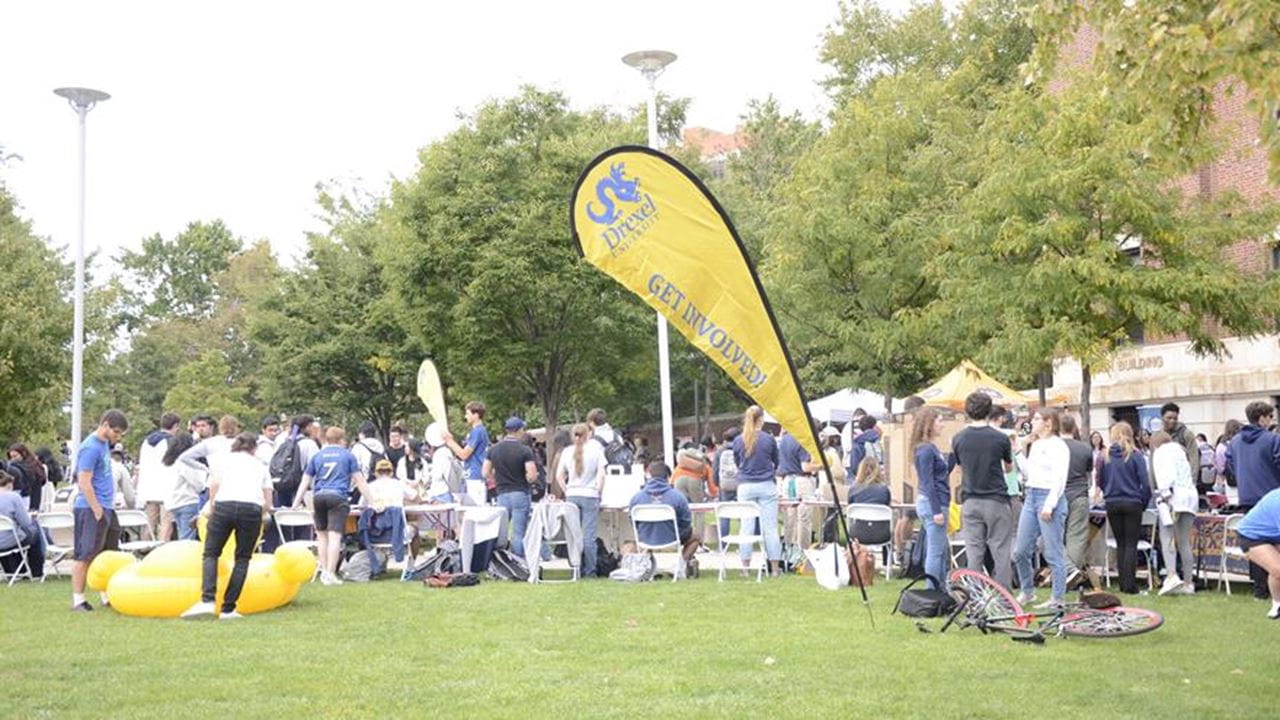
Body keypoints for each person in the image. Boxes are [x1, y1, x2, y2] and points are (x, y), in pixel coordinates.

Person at [181, 433, 273, 620]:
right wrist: (259, 511)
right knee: (242, 558)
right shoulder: (261, 466)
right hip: (251, 508)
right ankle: (228, 608)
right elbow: (268, 501)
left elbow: (214, 484)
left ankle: (207, 599)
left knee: (211, 553)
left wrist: (213, 506)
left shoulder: (223, 461)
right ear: (254, 449)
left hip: (224, 505)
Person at [951, 392, 1015, 588]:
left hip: (970, 500)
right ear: (989, 411)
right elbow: (1008, 467)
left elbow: (961, 467)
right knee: (1001, 550)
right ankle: (1005, 598)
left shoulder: (958, 438)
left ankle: (976, 597)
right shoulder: (1000, 438)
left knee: (974, 552)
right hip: (996, 499)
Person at [293, 426, 371, 585]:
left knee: (321, 536)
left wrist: (295, 503)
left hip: (319, 496)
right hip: (338, 496)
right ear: (342, 440)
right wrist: (372, 500)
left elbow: (305, 481)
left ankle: (323, 570)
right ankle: (330, 572)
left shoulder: (318, 456)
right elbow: (359, 480)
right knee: (335, 536)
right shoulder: (348, 456)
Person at [71, 409, 128, 611]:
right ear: (105, 425)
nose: (117, 437)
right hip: (90, 507)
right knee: (86, 553)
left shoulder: (104, 444)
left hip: (107, 506)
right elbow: (84, 481)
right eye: (116, 432)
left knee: (107, 552)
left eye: (120, 434)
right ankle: (78, 599)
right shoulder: (90, 448)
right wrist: (96, 509)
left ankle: (105, 594)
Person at [1011, 408, 1070, 607]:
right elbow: (1030, 473)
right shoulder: (1036, 445)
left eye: (1037, 419)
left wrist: (1050, 504)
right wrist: (1019, 452)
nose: (1032, 422)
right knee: (1020, 550)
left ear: (1048, 423)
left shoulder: (1058, 446)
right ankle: (1027, 591)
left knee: (1053, 552)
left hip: (1048, 496)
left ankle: (1057, 597)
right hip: (1032, 494)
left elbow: (1060, 478)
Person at [1225, 401, 1280, 599]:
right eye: (1270, 416)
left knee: (1255, 543)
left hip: (1247, 496)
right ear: (1262, 418)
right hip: (1271, 497)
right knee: (1273, 544)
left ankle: (1259, 589)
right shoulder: (1273, 439)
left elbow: (1229, 468)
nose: (1271, 420)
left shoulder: (1235, 441)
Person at [1100, 421, 1152, 595]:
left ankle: (1123, 582)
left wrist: (1108, 494)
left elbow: (1100, 480)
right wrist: (1143, 502)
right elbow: (1145, 483)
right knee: (1131, 544)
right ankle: (1130, 585)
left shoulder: (1105, 455)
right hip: (1132, 502)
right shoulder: (1136, 455)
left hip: (1112, 502)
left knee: (1120, 543)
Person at [733, 405, 782, 576]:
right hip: (766, 484)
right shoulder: (768, 439)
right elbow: (777, 461)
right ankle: (775, 568)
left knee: (746, 527)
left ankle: (745, 568)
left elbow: (737, 461)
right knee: (770, 528)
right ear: (761, 419)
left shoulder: (739, 440)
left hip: (745, 485)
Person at [629, 461, 699, 576]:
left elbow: (632, 522)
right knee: (696, 536)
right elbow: (686, 521)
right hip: (673, 539)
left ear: (648, 475)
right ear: (668, 477)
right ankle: (680, 564)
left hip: (646, 539)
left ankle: (643, 563)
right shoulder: (678, 497)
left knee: (630, 543)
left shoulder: (637, 498)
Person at [1150, 430, 1198, 596]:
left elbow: (1164, 477)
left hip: (1173, 497)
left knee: (1167, 538)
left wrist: (1164, 495)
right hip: (1190, 497)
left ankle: (1171, 575)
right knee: (1184, 541)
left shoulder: (1160, 453)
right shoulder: (1180, 451)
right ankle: (1188, 582)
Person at [556, 423, 606, 576]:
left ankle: (575, 568)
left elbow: (559, 476)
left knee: (573, 534)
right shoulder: (596, 451)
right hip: (590, 494)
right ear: (588, 435)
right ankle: (590, 570)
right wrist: (598, 490)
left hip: (572, 494)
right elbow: (601, 475)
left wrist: (567, 490)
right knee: (589, 536)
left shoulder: (566, 452)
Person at [484, 417, 538, 557]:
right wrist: (529, 478)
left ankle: (496, 559)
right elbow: (531, 475)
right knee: (519, 532)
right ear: (519, 430)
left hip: (501, 494)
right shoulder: (525, 450)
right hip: (520, 492)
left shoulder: (493, 449)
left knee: (499, 531)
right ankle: (519, 562)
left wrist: (496, 478)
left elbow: (485, 472)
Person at [911, 407, 950, 590]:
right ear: (929, 424)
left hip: (932, 501)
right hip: (933, 502)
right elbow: (928, 482)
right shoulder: (926, 450)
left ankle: (940, 588)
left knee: (938, 550)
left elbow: (939, 475)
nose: (942, 425)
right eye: (939, 421)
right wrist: (936, 510)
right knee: (935, 551)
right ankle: (932, 589)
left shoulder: (928, 448)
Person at [1058, 414, 1095, 589]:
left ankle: (1066, 571)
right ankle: (1072, 574)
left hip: (1057, 495)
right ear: (1074, 429)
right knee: (1077, 537)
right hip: (1079, 494)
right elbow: (1089, 471)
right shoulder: (1085, 448)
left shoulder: (1053, 447)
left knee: (1053, 536)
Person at [1234, 487, 1280, 619]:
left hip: (1274, 534)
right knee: (1278, 569)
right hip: (1252, 536)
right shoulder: (1277, 500)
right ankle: (1277, 606)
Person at [135, 413, 181, 541]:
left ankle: (144, 548)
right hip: (167, 488)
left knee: (150, 523)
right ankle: (161, 550)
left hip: (148, 487)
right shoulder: (172, 442)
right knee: (166, 523)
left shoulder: (146, 441)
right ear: (176, 425)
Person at [777, 428, 820, 548]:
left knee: (789, 519)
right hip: (802, 481)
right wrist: (821, 466)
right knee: (804, 519)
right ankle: (803, 551)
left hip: (787, 480)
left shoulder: (784, 440)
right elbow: (805, 467)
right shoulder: (803, 440)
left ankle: (787, 549)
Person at [444, 401, 490, 506]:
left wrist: (450, 442)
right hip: (471, 475)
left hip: (475, 475)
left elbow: (464, 454)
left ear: (476, 415)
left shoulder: (478, 432)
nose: (466, 416)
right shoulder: (477, 432)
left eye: (468, 413)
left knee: (475, 510)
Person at [0, 470, 44, 579]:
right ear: (9, 484)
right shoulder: (13, 497)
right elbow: (25, 523)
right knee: (34, 532)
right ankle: (36, 572)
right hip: (10, 540)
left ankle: (14, 570)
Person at [161, 432, 205, 541]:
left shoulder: (168, 462)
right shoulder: (185, 462)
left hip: (173, 503)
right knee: (187, 539)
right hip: (188, 502)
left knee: (182, 534)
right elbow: (198, 484)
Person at [715, 426, 741, 543]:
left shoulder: (720, 451)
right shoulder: (741, 448)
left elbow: (715, 469)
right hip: (740, 483)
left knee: (724, 513)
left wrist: (717, 483)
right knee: (745, 511)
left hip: (725, 485)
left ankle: (723, 541)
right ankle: (749, 537)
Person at [1160, 402, 1201, 477]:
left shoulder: (1186, 434)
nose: (1172, 421)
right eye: (1169, 418)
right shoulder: (1158, 436)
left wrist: (1191, 482)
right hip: (1164, 481)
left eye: (1175, 418)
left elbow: (1194, 460)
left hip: (1183, 480)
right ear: (1162, 417)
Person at [7, 443, 47, 512]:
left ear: (23, 453)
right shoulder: (36, 465)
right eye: (11, 457)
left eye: (15, 456)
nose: (13, 459)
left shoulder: (27, 468)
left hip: (29, 500)